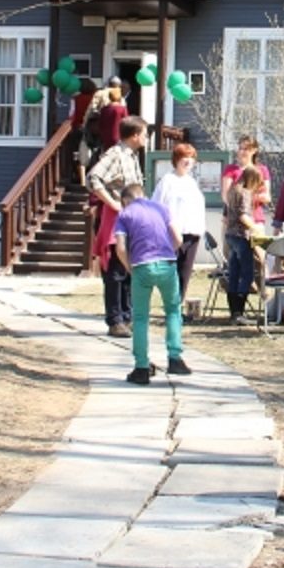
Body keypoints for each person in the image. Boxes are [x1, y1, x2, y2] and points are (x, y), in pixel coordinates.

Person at [113, 183, 190, 385]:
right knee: (173, 310)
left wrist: (130, 267)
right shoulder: (161, 208)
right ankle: (175, 358)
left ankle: (141, 367)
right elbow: (179, 238)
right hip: (166, 264)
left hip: (141, 266)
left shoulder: (125, 215)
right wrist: (168, 254)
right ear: (143, 195)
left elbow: (120, 248)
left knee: (140, 317)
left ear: (125, 200)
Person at [87, 116, 148, 339]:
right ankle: (115, 320)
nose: (146, 138)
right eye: (144, 133)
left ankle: (127, 315)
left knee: (128, 269)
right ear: (134, 135)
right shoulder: (115, 154)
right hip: (115, 222)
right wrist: (112, 204)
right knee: (115, 271)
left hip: (132, 220)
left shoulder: (132, 157)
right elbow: (93, 178)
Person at [152, 142, 207, 313]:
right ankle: (170, 304)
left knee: (185, 271)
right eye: (185, 158)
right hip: (173, 233)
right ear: (176, 160)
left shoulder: (192, 182)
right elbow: (157, 207)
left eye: (191, 158)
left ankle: (178, 304)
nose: (188, 162)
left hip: (192, 232)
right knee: (171, 271)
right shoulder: (167, 181)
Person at [221, 165, 268, 325]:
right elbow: (243, 215)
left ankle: (233, 312)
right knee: (247, 275)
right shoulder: (245, 193)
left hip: (230, 235)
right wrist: (255, 228)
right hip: (241, 236)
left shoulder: (233, 191)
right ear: (252, 180)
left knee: (233, 274)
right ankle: (239, 312)